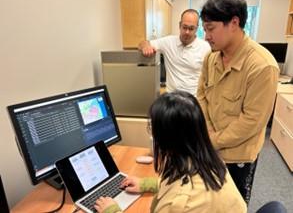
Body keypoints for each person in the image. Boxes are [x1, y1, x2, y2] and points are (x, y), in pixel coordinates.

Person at [94, 91, 247, 213]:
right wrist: (147, 184)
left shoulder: (178, 205)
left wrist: (111, 211)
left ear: (167, 137)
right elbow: (181, 180)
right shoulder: (209, 161)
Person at [197, 0, 279, 204]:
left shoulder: (262, 65)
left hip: (238, 156)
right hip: (210, 148)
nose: (206, 36)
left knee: (234, 205)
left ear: (234, 23)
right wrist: (206, 134)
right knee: (208, 201)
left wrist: (211, 140)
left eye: (210, 28)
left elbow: (252, 121)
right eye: (204, 29)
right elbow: (202, 97)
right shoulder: (211, 57)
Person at [139, 9, 210, 96]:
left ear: (196, 28)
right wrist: (145, 46)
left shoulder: (206, 47)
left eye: (191, 28)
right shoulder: (168, 42)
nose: (187, 32)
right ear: (179, 25)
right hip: (172, 98)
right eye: (184, 27)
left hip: (194, 99)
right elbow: (143, 43)